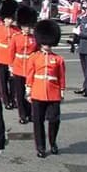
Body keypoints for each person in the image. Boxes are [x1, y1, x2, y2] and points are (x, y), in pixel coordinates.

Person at [29, 20, 65, 158]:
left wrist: (61, 91)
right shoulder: (34, 58)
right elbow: (30, 75)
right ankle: (40, 147)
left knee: (54, 119)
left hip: (53, 93)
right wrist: (28, 90)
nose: (47, 46)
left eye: (49, 44)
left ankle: (53, 142)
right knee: (38, 121)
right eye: (45, 43)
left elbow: (61, 76)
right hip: (38, 92)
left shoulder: (58, 59)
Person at [11, 6, 39, 124]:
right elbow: (11, 53)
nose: (27, 29)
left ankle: (30, 113)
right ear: (21, 26)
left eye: (29, 26)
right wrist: (11, 66)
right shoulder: (16, 37)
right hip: (18, 67)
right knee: (20, 92)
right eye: (25, 26)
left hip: (30, 68)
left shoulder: (34, 39)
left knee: (29, 92)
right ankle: (22, 115)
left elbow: (37, 53)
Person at [0, 0, 20, 109]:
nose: (9, 21)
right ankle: (5, 100)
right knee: (3, 80)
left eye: (11, 19)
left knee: (13, 81)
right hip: (2, 56)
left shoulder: (16, 30)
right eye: (7, 19)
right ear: (4, 19)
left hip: (13, 58)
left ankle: (12, 98)